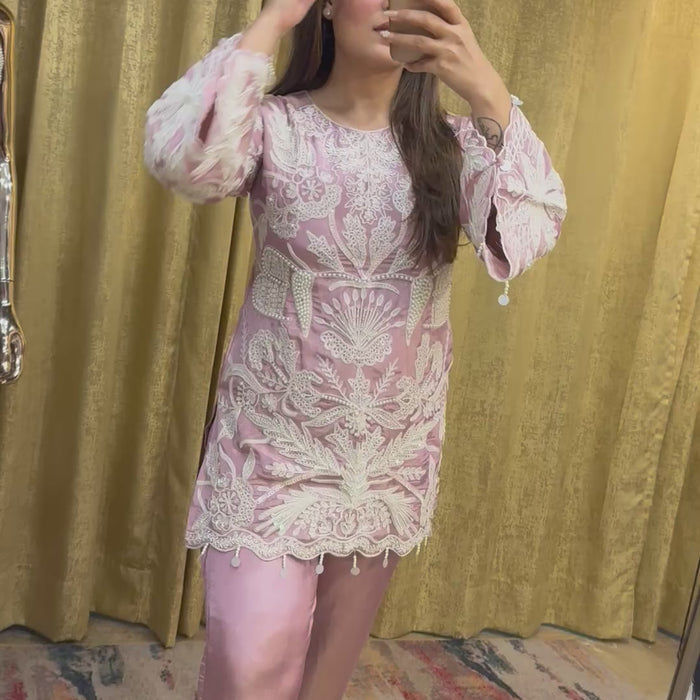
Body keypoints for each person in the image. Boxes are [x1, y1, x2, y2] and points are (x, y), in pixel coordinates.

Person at [144, 0, 567, 695]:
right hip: (272, 451)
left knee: (325, 674)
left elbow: (528, 231)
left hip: (385, 463)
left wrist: (486, 89)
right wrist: (272, 21)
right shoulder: (273, 127)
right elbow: (183, 160)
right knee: (251, 664)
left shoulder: (453, 146)